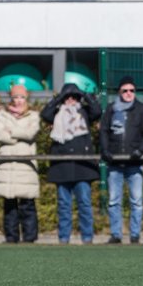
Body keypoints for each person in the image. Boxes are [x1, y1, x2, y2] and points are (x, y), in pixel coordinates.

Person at [42, 82, 102, 244]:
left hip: (83, 167)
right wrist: (59, 97)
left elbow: (97, 111)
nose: (70, 100)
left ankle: (87, 237)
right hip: (62, 167)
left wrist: (84, 95)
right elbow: (45, 115)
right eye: (67, 97)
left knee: (84, 203)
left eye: (73, 97)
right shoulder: (56, 113)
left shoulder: (84, 113)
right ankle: (63, 238)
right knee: (63, 205)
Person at [99, 77, 143, 244]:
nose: (129, 93)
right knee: (114, 201)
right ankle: (116, 234)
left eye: (132, 90)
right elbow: (104, 132)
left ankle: (135, 235)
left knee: (136, 200)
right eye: (125, 90)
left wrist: (139, 151)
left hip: (134, 163)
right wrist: (106, 151)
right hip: (114, 163)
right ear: (119, 92)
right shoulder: (111, 109)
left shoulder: (142, 109)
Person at [0, 86, 41, 244]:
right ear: (11, 98)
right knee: (9, 205)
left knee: (28, 204)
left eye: (22, 97)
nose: (19, 101)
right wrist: (20, 132)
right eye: (16, 97)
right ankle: (11, 237)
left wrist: (11, 131)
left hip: (26, 167)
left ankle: (30, 237)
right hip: (7, 166)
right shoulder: (2, 115)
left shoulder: (34, 116)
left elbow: (31, 133)